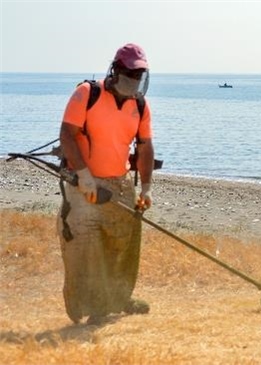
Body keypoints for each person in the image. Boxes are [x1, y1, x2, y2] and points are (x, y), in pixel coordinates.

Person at [57, 43, 155, 325]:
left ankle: (119, 298)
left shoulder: (139, 104)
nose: (135, 81)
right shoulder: (87, 94)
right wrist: (85, 175)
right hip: (83, 181)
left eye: (139, 76)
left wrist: (146, 187)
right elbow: (67, 134)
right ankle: (86, 306)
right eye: (131, 74)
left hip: (120, 182)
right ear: (116, 70)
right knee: (84, 246)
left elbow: (146, 145)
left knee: (122, 242)